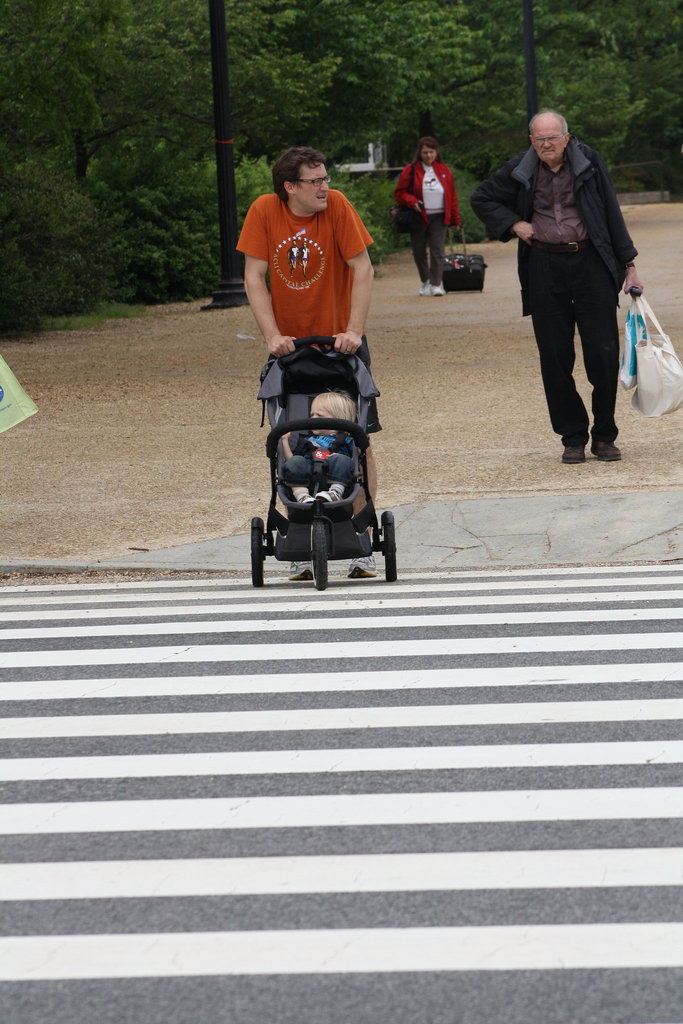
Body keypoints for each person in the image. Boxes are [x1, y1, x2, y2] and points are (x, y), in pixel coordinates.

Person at [470, 109, 644, 464]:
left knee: (604, 353)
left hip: (591, 263)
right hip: (544, 266)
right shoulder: (520, 168)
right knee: (554, 356)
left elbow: (611, 211)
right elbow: (482, 197)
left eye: (552, 138)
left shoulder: (589, 162)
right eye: (539, 139)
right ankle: (573, 436)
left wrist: (629, 266)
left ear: (566, 137)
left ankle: (605, 434)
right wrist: (514, 223)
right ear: (531, 141)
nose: (546, 144)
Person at [237, 145, 379, 579]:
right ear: (290, 187)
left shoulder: (336, 207)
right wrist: (272, 336)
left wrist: (353, 331)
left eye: (325, 178)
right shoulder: (264, 211)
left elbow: (363, 268)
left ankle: (361, 538)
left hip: (341, 346)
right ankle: (299, 538)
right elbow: (254, 277)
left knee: (357, 437)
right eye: (315, 181)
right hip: (290, 347)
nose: (325, 187)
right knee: (290, 431)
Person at [394, 136, 461, 296]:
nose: (428, 156)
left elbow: (452, 196)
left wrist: (455, 219)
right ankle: (426, 281)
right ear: (420, 153)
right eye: (425, 152)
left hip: (439, 216)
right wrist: (412, 201)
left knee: (438, 251)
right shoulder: (410, 170)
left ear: (436, 152)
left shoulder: (444, 171)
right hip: (418, 217)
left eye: (431, 152)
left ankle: (436, 284)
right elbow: (400, 193)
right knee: (418, 251)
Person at [281, 391, 357, 504]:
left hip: (335, 479)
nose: (313, 419)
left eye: (319, 416)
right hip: (307, 479)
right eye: (312, 415)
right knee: (295, 461)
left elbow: (356, 460)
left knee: (342, 460)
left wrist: (342, 457)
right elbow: (291, 461)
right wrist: (284, 441)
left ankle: (335, 492)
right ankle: (302, 496)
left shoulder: (347, 440)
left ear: (338, 418)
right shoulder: (307, 441)